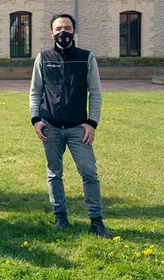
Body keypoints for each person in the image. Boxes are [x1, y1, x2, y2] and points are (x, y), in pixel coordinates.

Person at [30, 14, 113, 238]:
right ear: (51, 32)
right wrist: (36, 120)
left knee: (89, 172)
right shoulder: (43, 58)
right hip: (50, 127)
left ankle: (96, 220)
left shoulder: (86, 58)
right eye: (58, 29)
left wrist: (92, 123)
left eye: (67, 28)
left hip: (79, 128)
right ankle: (61, 217)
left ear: (74, 31)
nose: (63, 33)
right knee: (54, 173)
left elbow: (95, 93)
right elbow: (35, 91)